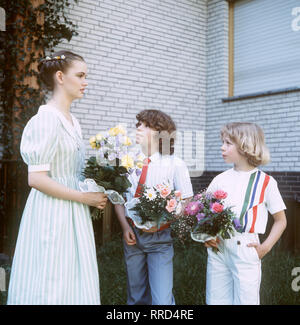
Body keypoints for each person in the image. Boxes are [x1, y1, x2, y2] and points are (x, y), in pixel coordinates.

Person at [7, 50, 107, 305]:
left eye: (87, 76)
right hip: (51, 211)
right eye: (81, 75)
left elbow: (72, 170)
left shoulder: (73, 121)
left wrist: (98, 187)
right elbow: (36, 179)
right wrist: (84, 197)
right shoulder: (46, 120)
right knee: (52, 277)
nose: (86, 82)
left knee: (73, 277)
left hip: (74, 210)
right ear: (60, 77)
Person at [114, 109, 193, 305]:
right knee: (136, 296)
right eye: (138, 124)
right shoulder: (127, 161)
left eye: (146, 125)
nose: (138, 128)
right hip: (132, 237)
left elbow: (186, 201)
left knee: (162, 300)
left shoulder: (175, 164)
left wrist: (165, 220)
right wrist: (125, 228)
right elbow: (118, 199)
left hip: (160, 239)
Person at [204, 122, 287, 305]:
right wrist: (205, 236)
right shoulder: (220, 179)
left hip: (246, 248)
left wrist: (265, 248)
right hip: (219, 248)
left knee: (246, 300)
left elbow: (281, 221)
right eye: (223, 142)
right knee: (216, 299)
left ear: (245, 146)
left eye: (227, 143)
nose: (222, 147)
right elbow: (203, 213)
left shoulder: (266, 182)